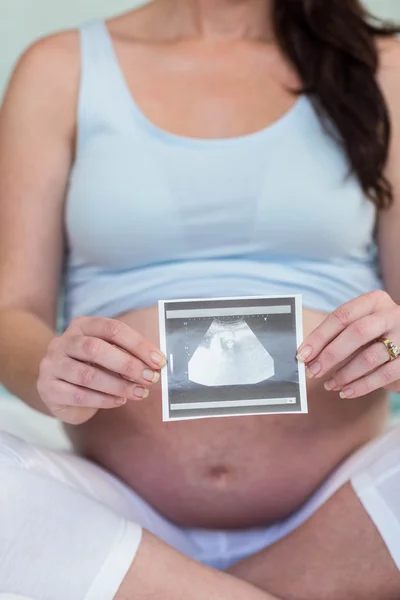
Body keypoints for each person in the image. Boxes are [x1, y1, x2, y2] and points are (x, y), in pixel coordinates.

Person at [0, 0, 400, 598]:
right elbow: (11, 312)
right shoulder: (60, 68)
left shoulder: (384, 68)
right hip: (116, 518)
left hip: (350, 511)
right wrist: (52, 371)